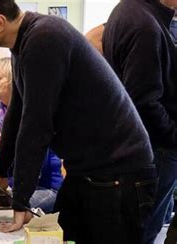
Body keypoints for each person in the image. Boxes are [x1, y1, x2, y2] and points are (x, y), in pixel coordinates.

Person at [0, 0, 156, 243]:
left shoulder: (45, 37)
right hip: (89, 172)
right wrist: (0, 173)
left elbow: (36, 126)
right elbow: (18, 112)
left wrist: (20, 203)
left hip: (118, 177)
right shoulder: (23, 43)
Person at [102, 1, 177, 243]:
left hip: (139, 149)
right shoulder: (146, 25)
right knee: (142, 232)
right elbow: (144, 101)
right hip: (157, 150)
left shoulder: (128, 11)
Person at [0, 57, 62, 213]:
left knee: (2, 211)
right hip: (12, 184)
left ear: (15, 81)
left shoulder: (32, 115)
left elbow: (34, 165)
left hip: (45, 189)